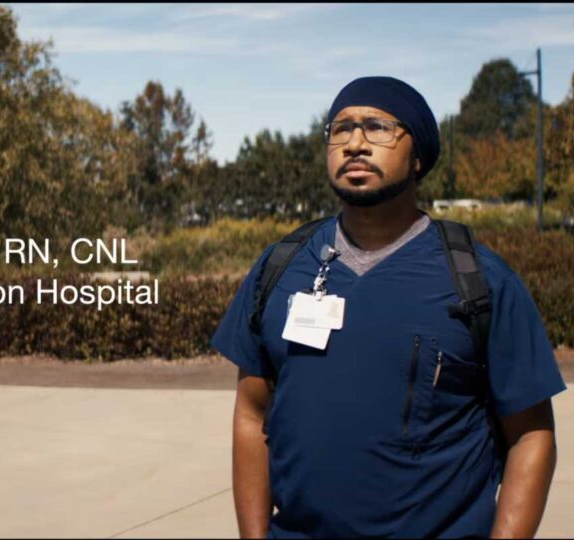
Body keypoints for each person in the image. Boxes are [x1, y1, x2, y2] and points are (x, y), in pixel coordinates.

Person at [211, 76, 566, 538]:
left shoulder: (479, 281)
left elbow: (531, 435)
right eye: (340, 129)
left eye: (378, 127)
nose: (355, 143)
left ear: (418, 156)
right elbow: (251, 414)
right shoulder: (279, 268)